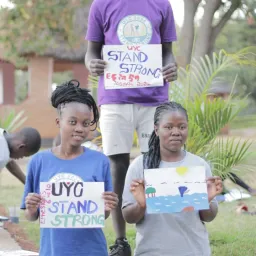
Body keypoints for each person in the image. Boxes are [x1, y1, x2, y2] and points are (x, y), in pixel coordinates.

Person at [85, 1, 178, 254]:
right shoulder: (102, 4)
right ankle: (120, 240)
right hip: (115, 99)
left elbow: (167, 50)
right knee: (117, 164)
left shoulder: (161, 3)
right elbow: (92, 51)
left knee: (156, 164)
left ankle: (157, 236)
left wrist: (171, 65)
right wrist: (92, 64)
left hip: (155, 98)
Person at [21, 80, 118, 256]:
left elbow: (101, 215)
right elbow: (31, 216)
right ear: (59, 122)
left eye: (86, 123)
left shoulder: (100, 161)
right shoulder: (39, 161)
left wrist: (106, 207)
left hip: (92, 251)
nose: (80, 128)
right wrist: (31, 207)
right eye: (73, 122)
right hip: (53, 251)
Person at [122, 102, 223, 256]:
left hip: (194, 251)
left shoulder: (198, 165)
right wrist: (141, 205)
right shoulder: (140, 165)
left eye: (182, 127)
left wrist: (206, 200)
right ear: (156, 129)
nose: (176, 132)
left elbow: (209, 217)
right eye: (168, 127)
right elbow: (128, 217)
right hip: (151, 252)